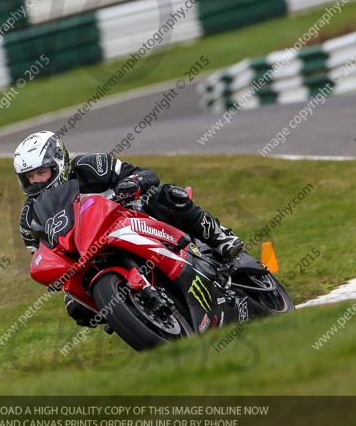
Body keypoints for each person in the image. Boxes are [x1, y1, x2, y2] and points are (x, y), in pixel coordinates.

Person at [13, 130, 243, 327]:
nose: (36, 182)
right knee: (76, 307)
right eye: (29, 177)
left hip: (132, 217)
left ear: (59, 163)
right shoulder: (29, 218)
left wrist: (131, 184)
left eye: (41, 173)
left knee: (167, 195)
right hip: (87, 257)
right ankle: (134, 315)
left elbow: (146, 174)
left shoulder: (91, 166)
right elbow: (42, 254)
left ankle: (218, 236)